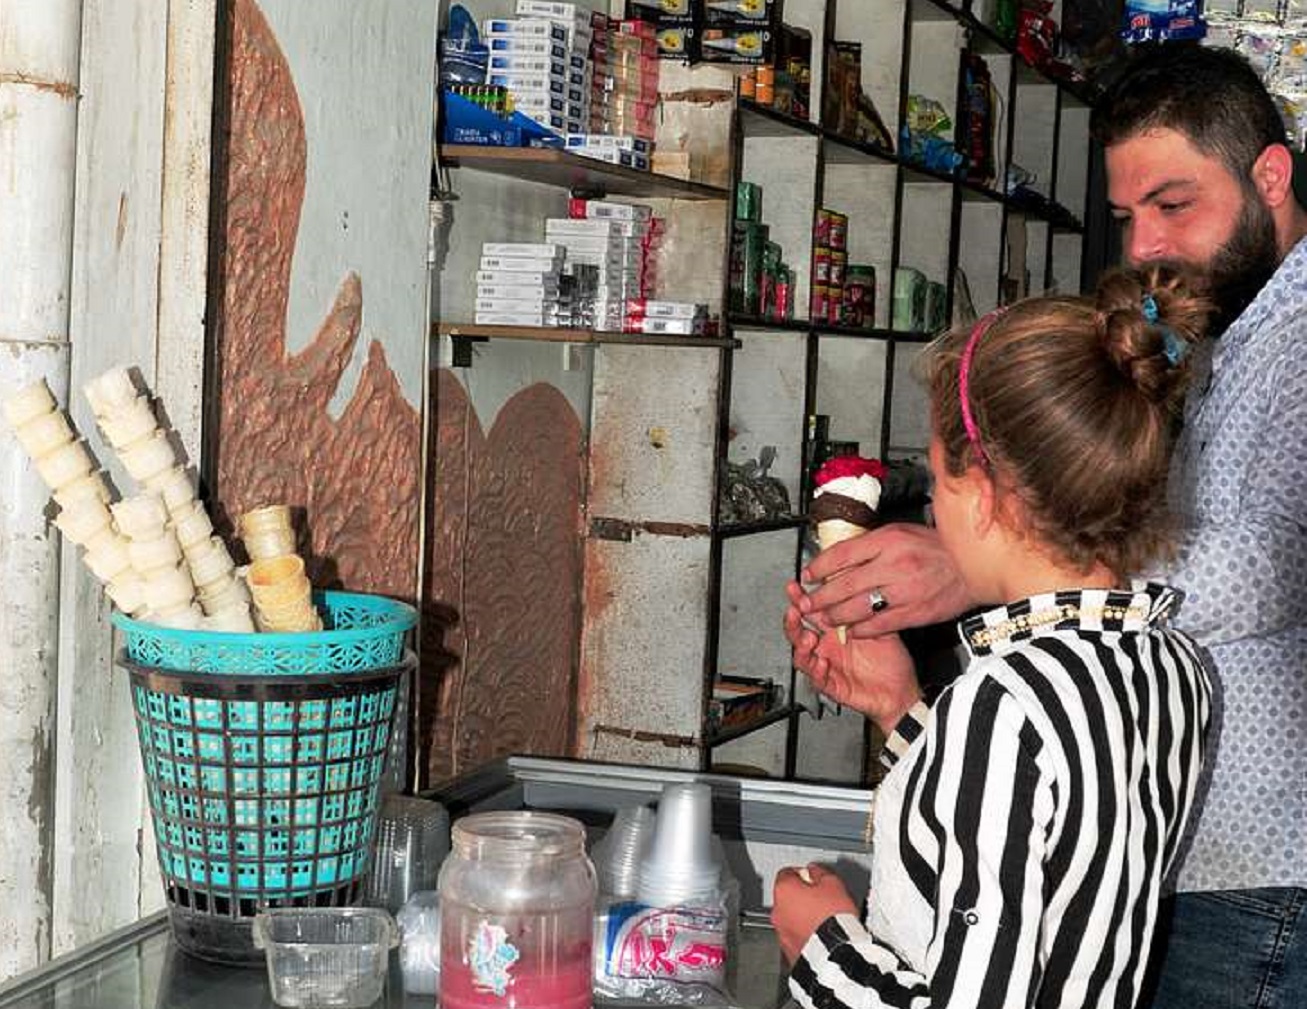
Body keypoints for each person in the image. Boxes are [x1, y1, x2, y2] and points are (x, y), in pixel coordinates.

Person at [786, 45, 1307, 1008]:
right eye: (1125, 217)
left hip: (1262, 870)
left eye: (1173, 204)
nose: (1142, 248)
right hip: (1195, 860)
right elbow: (1021, 798)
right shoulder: (1213, 326)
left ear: (1267, 176)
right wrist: (906, 712)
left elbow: (1274, 563)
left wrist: (1004, 556)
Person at [772, 265, 1213, 1009]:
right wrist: (903, 708)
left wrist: (822, 946)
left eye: (939, 485)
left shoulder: (1000, 706)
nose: (934, 513)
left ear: (981, 497)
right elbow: (1048, 838)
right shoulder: (1170, 664)